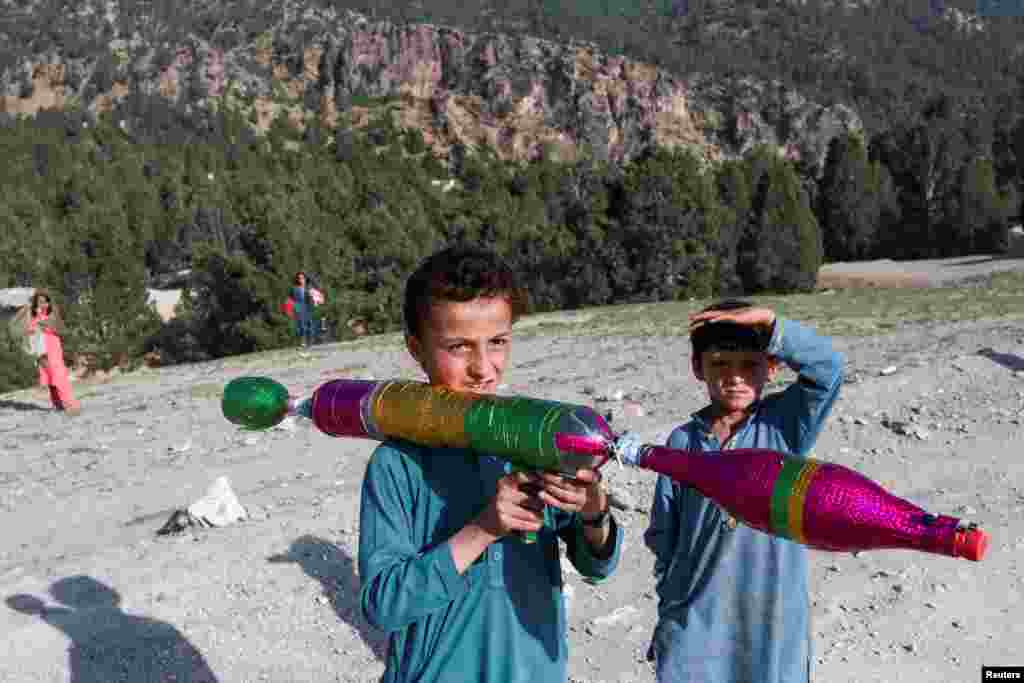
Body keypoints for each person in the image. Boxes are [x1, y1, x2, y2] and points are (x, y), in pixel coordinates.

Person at [358, 246, 623, 683]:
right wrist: (482, 529)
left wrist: (594, 507)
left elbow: (597, 566)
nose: (483, 368)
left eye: (497, 342)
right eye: (458, 346)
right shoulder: (397, 464)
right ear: (416, 349)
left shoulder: (535, 443)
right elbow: (383, 607)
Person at [643, 299, 844, 683]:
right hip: (698, 618)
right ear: (697, 368)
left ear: (771, 367)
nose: (735, 377)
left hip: (772, 617)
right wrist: (669, 611)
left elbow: (828, 369)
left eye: (749, 365)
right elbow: (664, 536)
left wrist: (772, 326)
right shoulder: (681, 442)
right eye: (720, 364)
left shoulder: (785, 427)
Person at [17, 289, 80, 415]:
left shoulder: (53, 315)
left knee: (59, 376)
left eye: (45, 302)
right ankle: (58, 404)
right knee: (50, 378)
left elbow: (62, 330)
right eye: (39, 302)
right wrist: (32, 326)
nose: (42, 304)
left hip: (53, 350)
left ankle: (71, 405)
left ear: (49, 303)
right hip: (41, 352)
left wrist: (46, 326)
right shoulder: (32, 318)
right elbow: (26, 331)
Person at [290, 271, 314, 347]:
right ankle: (302, 341)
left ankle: (309, 341)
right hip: (299, 307)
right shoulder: (295, 288)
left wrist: (313, 299)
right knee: (301, 325)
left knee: (309, 324)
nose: (301, 280)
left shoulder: (309, 288)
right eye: (299, 278)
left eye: (302, 278)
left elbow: (314, 297)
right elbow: (292, 299)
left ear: (305, 279)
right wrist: (294, 308)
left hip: (308, 307)